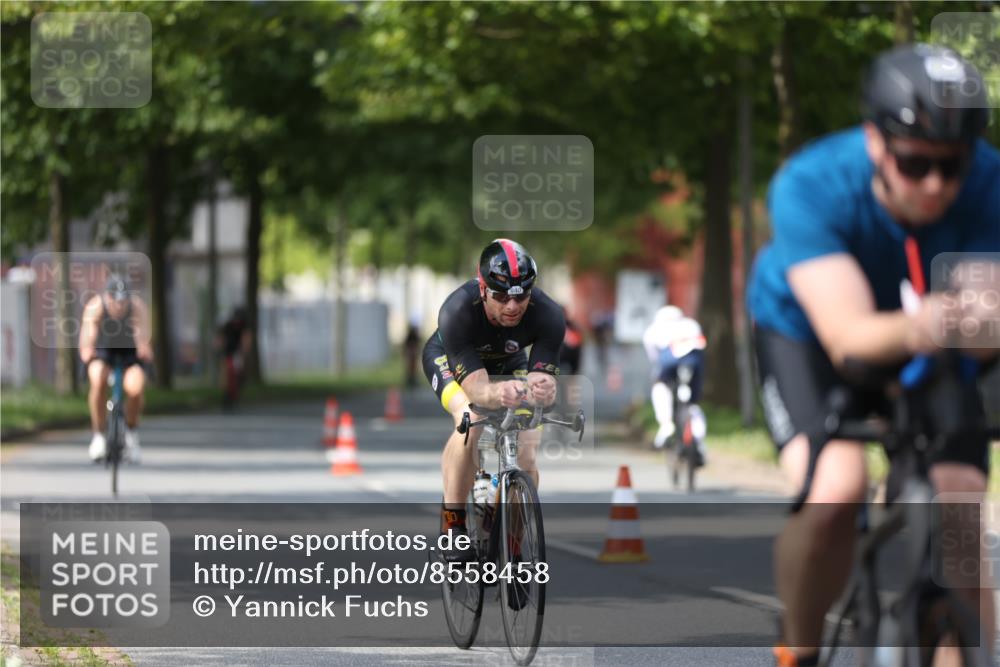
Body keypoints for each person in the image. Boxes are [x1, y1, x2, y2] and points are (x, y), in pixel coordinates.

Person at [747, 44, 998, 667]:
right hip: (811, 335)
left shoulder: (990, 183)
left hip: (932, 340)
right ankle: (798, 651)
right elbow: (850, 335)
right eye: (916, 164)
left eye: (953, 166)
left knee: (960, 499)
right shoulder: (812, 184)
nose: (937, 185)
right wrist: (948, 318)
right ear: (875, 142)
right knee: (837, 487)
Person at [422, 239, 564, 572]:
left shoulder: (549, 314)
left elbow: (546, 378)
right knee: (470, 418)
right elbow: (479, 390)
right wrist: (500, 394)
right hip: (451, 358)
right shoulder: (456, 310)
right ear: (483, 289)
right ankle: (454, 525)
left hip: (507, 359)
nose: (513, 306)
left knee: (528, 453)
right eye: (501, 297)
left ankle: (511, 551)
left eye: (521, 296)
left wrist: (543, 389)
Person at [79, 272, 153, 463]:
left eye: (123, 300)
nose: (119, 305)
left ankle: (131, 433)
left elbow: (141, 335)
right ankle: (98, 435)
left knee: (136, 387)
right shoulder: (96, 307)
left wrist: (144, 347)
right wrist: (87, 350)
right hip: (103, 352)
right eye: (115, 300)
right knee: (97, 379)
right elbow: (88, 336)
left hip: (129, 354)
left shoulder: (137, 307)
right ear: (107, 296)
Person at [642, 305, 707, 455]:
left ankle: (666, 425)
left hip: (668, 362)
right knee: (693, 404)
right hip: (694, 364)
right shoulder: (692, 325)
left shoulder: (654, 329)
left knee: (660, 386)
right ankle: (699, 440)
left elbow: (653, 355)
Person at [216, 306, 252, 410]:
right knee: (226, 375)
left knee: (238, 372)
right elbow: (220, 338)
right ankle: (226, 395)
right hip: (227, 353)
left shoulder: (244, 326)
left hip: (238, 353)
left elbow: (246, 339)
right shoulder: (227, 326)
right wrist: (219, 347)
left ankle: (236, 393)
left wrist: (244, 352)